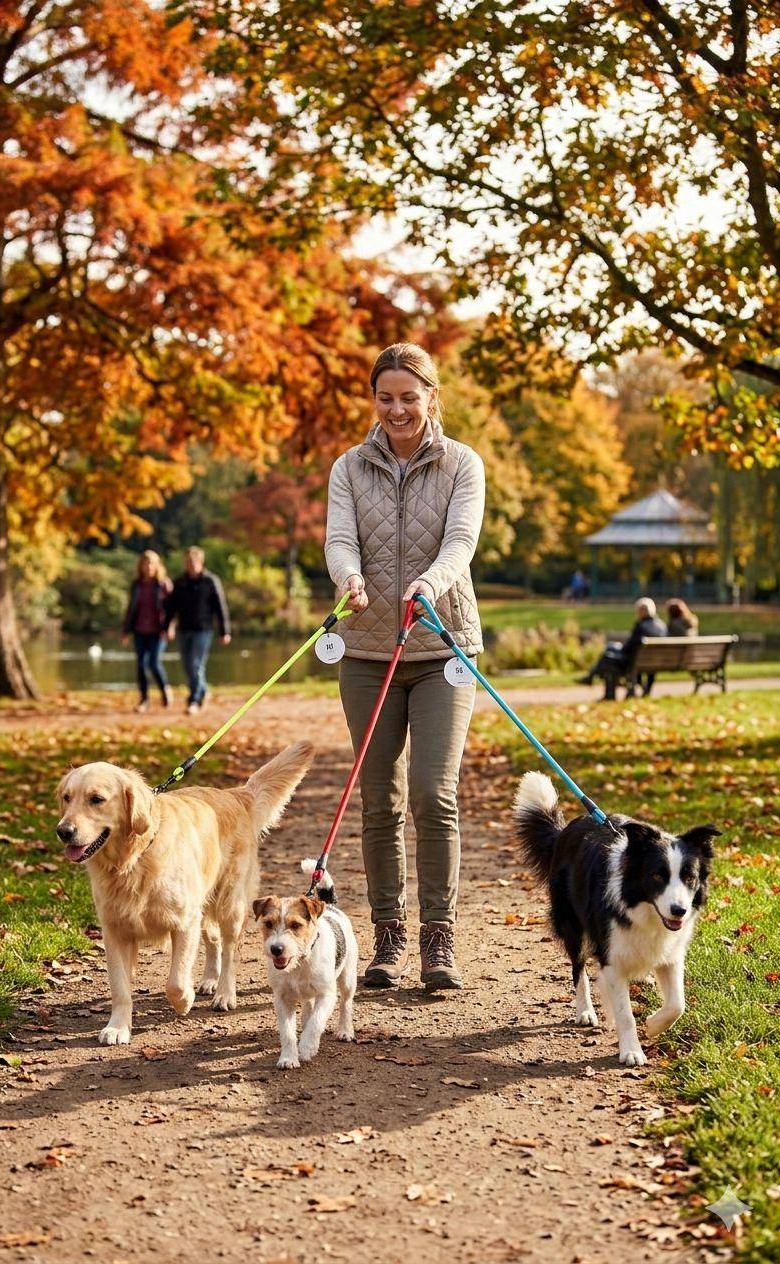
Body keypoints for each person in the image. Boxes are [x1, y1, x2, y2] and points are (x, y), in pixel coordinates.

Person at [325, 341, 485, 992]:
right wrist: (351, 578)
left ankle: (438, 940)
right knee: (378, 799)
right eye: (385, 398)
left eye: (408, 398)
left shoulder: (462, 464)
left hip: (443, 646)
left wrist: (430, 582)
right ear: (374, 399)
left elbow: (461, 541)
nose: (397, 409)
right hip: (366, 649)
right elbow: (340, 538)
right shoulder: (349, 467)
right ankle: (386, 938)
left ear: (431, 397)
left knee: (433, 794)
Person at [164, 546, 231, 715]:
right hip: (184, 629)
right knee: (187, 665)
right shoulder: (180, 582)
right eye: (188, 562)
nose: (191, 565)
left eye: (194, 562)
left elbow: (220, 607)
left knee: (195, 663)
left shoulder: (210, 581)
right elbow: (172, 608)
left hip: (203, 629)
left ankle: (194, 699)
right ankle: (203, 690)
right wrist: (166, 627)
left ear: (201, 562)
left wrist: (225, 631)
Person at [578, 596, 667, 700]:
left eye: (637, 611)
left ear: (642, 611)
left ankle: (601, 686)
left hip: (633, 662)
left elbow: (628, 648)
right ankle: (593, 678)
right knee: (611, 649)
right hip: (655, 661)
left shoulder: (641, 626)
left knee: (607, 659)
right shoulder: (661, 626)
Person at [121, 550, 173, 713]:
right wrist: (125, 630)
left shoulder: (164, 584)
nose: (148, 567)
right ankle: (144, 699)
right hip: (139, 630)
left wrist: (169, 627)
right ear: (141, 566)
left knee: (154, 662)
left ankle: (165, 690)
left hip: (158, 631)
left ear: (157, 566)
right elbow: (131, 609)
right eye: (145, 564)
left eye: (151, 563)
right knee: (141, 665)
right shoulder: (136, 585)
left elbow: (172, 609)